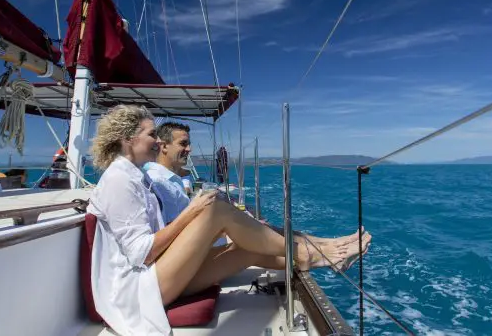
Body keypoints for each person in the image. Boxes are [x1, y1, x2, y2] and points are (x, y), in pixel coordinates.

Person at [87, 105, 371, 336]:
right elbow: (142, 254)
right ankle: (311, 251)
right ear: (128, 139)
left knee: (245, 250)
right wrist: (193, 213)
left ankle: (316, 258)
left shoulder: (134, 176)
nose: (157, 141)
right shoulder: (119, 180)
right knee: (217, 210)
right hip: (141, 291)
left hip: (155, 277)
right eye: (151, 135)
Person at [143, 122, 193, 225]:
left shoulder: (170, 180)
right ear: (164, 146)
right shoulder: (159, 183)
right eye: (183, 144)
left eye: (189, 144)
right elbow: (170, 228)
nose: (189, 149)